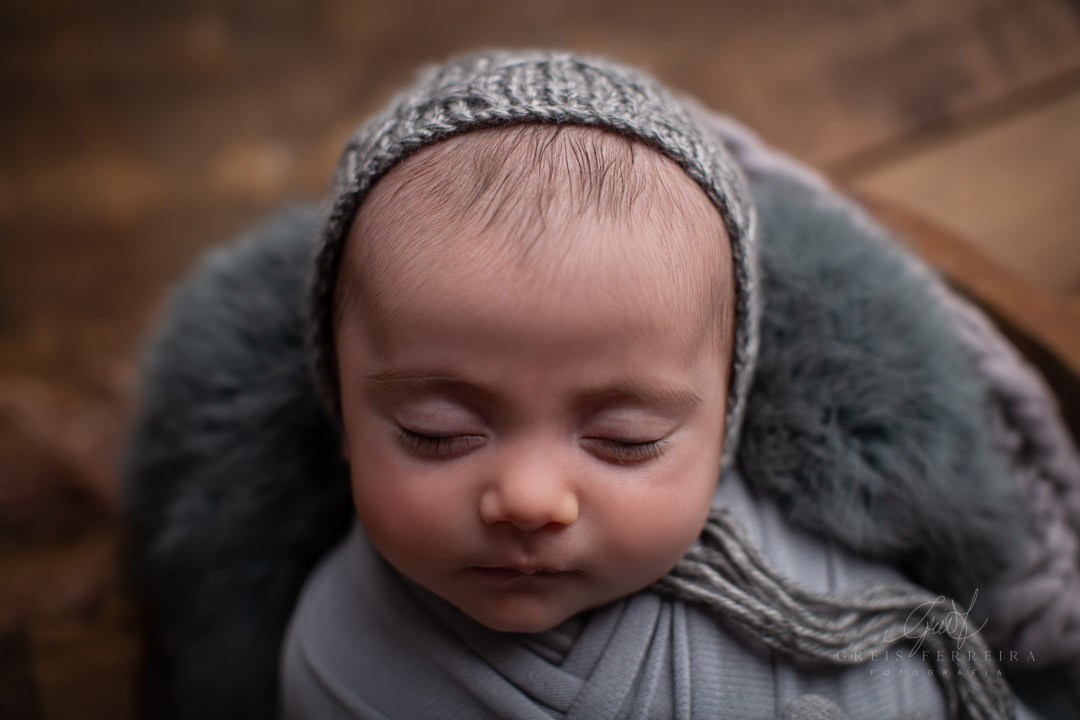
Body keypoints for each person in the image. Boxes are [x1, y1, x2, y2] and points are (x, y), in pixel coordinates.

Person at [125, 50, 1080, 720]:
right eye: (434, 430)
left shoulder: (826, 569)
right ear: (342, 414)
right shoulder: (336, 662)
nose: (531, 499)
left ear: (725, 425)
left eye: (624, 440)